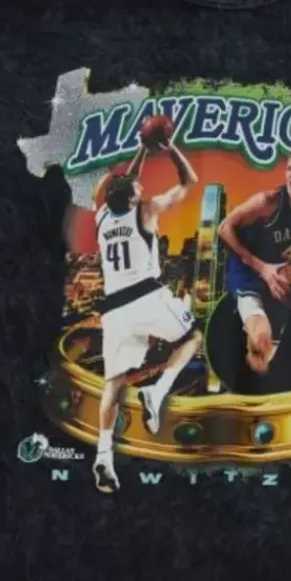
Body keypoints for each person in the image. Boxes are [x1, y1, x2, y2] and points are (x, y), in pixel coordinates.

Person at [92, 133, 201, 493]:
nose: (141, 187)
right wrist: (170, 149)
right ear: (133, 197)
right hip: (145, 296)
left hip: (114, 310)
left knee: (113, 383)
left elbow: (125, 183)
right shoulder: (147, 210)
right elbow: (189, 182)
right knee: (192, 337)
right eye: (138, 187)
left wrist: (141, 148)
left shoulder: (101, 217)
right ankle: (158, 391)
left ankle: (103, 455)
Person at [219, 152, 291, 373]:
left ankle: (258, 372)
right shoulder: (268, 202)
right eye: (289, 169)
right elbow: (224, 228)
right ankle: (249, 357)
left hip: (281, 277)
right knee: (261, 336)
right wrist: (262, 268)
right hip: (249, 270)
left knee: (270, 352)